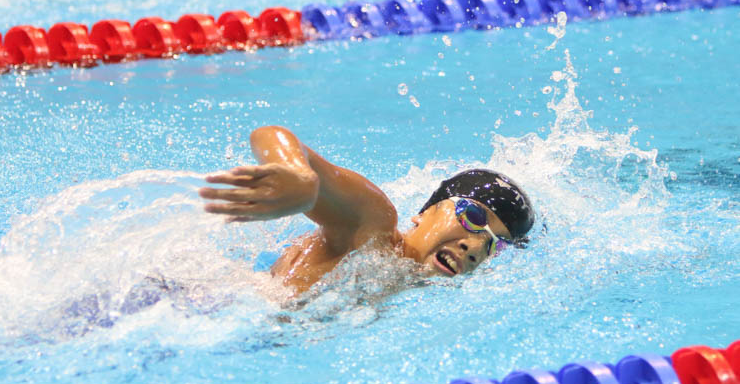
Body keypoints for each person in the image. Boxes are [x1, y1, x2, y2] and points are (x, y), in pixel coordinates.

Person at [199, 126, 534, 295]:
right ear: (424, 212)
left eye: (494, 244)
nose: (475, 248)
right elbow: (271, 134)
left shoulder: (396, 276)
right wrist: (301, 181)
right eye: (473, 218)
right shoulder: (374, 227)